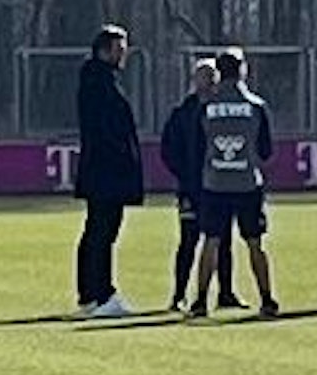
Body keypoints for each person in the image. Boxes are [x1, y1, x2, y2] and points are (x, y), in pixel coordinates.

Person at [188, 49, 280, 319]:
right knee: (255, 243)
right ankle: (267, 299)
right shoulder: (256, 106)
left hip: (214, 183)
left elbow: (196, 148)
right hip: (247, 183)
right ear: (242, 70)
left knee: (211, 242)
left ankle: (200, 301)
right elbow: (266, 151)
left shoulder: (206, 107)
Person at [159, 58, 247, 312]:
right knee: (189, 240)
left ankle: (226, 293)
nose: (209, 81)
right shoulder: (182, 113)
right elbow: (169, 150)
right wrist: (185, 176)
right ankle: (178, 295)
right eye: (204, 76)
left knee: (224, 241)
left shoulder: (223, 111)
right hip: (192, 188)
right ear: (194, 80)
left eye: (213, 76)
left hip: (220, 185)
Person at [74, 25, 144, 318]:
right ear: (105, 51)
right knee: (103, 232)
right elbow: (109, 129)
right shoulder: (100, 83)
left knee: (96, 231)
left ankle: (90, 293)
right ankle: (101, 294)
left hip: (100, 169)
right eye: (119, 48)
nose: (123, 53)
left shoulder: (98, 80)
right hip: (106, 170)